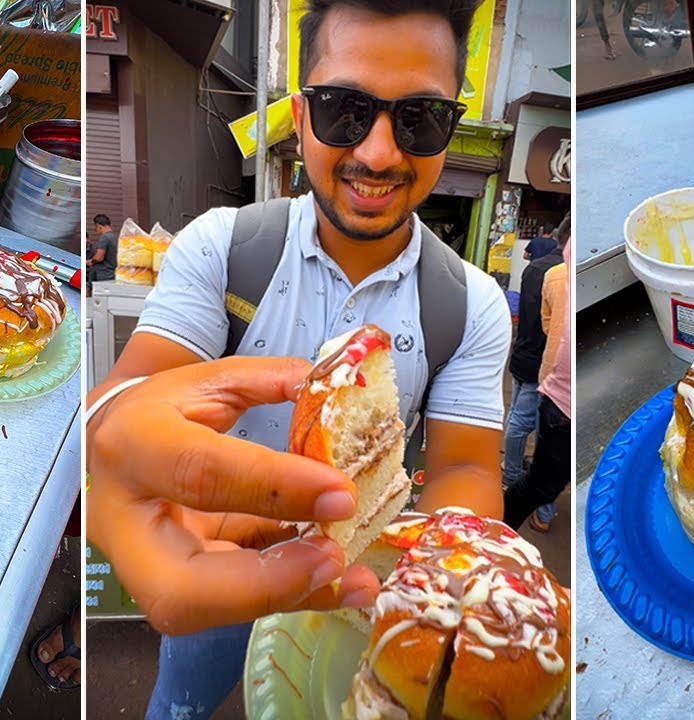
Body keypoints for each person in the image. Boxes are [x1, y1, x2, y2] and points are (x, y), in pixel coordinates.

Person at [86, 1, 509, 717]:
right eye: (345, 109)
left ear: (452, 126)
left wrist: (439, 585)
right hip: (213, 554)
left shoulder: (473, 302)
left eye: (419, 118)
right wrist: (109, 448)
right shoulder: (221, 247)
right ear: (298, 112)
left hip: (369, 583)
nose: (378, 153)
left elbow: (466, 466)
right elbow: (132, 401)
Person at [504, 229, 572, 529]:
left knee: (520, 421)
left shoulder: (540, 272)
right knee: (523, 424)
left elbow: (546, 323)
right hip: (550, 378)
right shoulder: (558, 274)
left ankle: (512, 474)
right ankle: (535, 507)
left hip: (531, 361)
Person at [531, 226, 570, 531]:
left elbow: (546, 324)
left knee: (548, 455)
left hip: (554, 380)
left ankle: (544, 513)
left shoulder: (554, 275)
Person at [87, 213, 118, 282]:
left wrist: (90, 261)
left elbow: (99, 257)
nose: (96, 230)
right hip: (114, 275)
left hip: (104, 275)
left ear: (99, 226)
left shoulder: (104, 238)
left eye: (96, 228)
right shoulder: (116, 237)